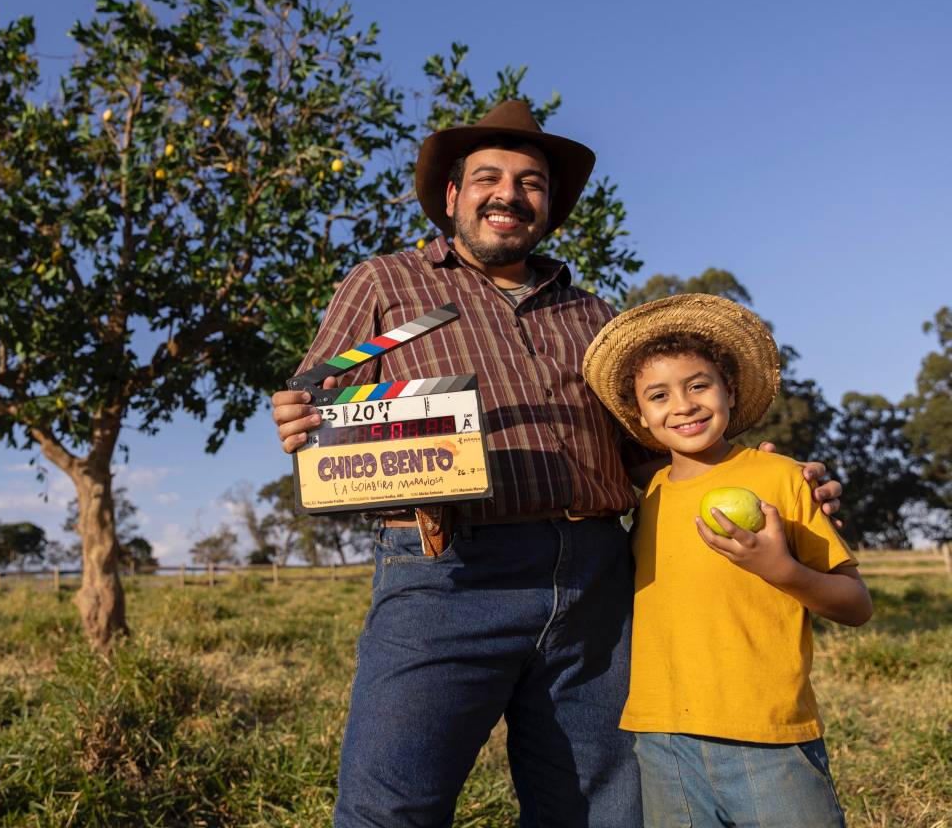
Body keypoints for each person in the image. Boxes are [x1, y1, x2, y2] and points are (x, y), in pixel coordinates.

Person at [271, 100, 842, 828]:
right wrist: (299, 414)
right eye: (487, 177)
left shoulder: (594, 317)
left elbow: (654, 453)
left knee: (600, 808)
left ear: (550, 205)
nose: (508, 193)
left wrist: (763, 480)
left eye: (530, 181)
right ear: (452, 196)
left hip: (594, 581)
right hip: (446, 573)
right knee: (392, 807)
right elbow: (318, 401)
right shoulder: (387, 285)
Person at [583, 293, 871, 828]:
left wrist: (781, 570)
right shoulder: (647, 497)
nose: (684, 405)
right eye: (659, 395)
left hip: (767, 737)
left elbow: (856, 604)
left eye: (699, 385)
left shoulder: (779, 478)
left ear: (729, 392)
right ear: (640, 418)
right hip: (661, 738)